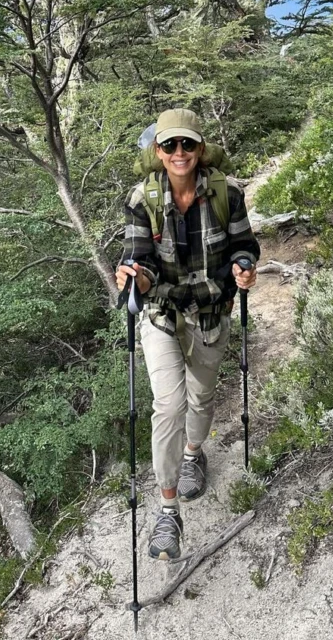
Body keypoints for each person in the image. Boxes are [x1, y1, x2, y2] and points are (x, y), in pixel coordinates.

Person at [117, 108, 260, 561]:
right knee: (169, 405)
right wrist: (134, 277)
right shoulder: (143, 199)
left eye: (188, 144)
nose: (179, 153)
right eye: (169, 146)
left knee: (201, 397)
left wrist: (244, 267)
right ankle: (167, 509)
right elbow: (139, 258)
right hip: (161, 312)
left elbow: (244, 244)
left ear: (200, 148)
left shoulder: (226, 193)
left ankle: (195, 452)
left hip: (212, 311)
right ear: (157, 152)